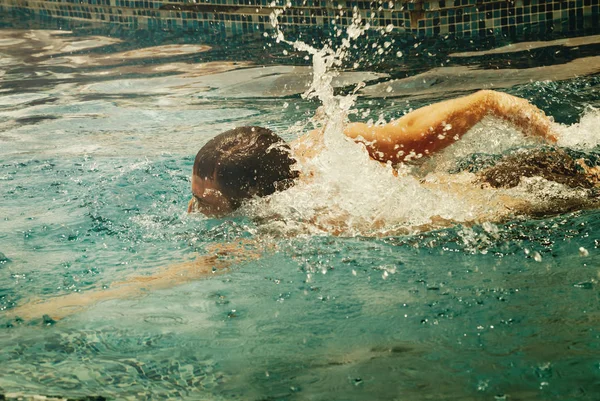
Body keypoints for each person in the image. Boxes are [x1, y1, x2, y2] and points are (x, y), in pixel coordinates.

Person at [188, 89, 565, 216]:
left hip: (510, 193)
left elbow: (485, 101)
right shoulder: (275, 175)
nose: (195, 207)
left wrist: (560, 141)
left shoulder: (341, 155)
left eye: (206, 201)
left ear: (257, 198)